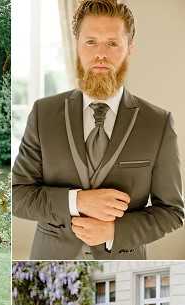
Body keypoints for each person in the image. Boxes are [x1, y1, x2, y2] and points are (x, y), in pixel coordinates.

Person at [12, 0, 184, 260]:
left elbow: (171, 211)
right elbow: (18, 195)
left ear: (130, 47)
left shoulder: (158, 123)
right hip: (49, 264)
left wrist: (115, 231)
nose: (100, 54)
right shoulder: (43, 113)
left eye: (112, 43)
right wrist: (77, 201)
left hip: (122, 265)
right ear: (77, 45)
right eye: (91, 42)